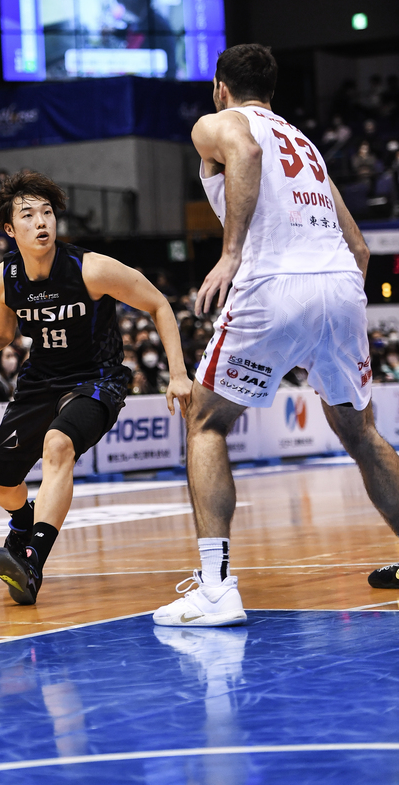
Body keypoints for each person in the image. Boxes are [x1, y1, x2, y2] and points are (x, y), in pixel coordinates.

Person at [152, 44, 399, 628]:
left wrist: (233, 252)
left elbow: (241, 147)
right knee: (360, 431)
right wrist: (328, 316)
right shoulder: (307, 144)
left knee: (207, 422)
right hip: (340, 284)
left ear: (220, 87)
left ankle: (214, 589)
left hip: (274, 281)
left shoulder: (220, 123)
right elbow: (360, 247)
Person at [0, 170, 192, 605]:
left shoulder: (90, 269)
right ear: (10, 228)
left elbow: (158, 302)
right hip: (41, 377)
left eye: (47, 213)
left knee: (58, 445)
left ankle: (30, 560)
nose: (41, 222)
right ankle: (22, 523)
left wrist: (178, 374)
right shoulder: (2, 279)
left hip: (97, 377)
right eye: (28, 215)